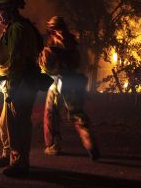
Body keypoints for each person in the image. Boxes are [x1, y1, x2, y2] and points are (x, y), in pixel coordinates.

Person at [0, 0, 44, 177]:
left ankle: (19, 163)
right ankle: (8, 154)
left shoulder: (18, 29)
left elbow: (18, 59)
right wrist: (0, 48)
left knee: (18, 124)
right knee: (5, 123)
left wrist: (12, 87)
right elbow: (12, 52)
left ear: (9, 10)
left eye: (0, 10)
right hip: (13, 83)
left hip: (20, 84)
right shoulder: (13, 28)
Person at [39, 16, 100, 160]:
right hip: (74, 80)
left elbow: (47, 65)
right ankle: (89, 141)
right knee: (77, 113)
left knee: (51, 113)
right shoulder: (72, 40)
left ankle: (53, 145)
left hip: (57, 81)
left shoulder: (53, 40)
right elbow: (79, 62)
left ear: (51, 28)